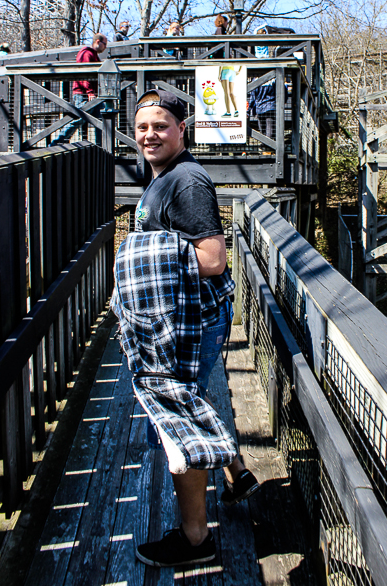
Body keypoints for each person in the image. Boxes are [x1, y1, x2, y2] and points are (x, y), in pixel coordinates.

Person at [116, 89, 260, 568]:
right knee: (204, 395)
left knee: (179, 421)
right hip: (184, 315)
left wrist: (140, 259)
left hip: (190, 319)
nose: (149, 135)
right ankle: (237, 472)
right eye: (142, 127)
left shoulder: (187, 182)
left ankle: (196, 539)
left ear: (183, 129)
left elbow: (214, 259)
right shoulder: (162, 176)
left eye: (160, 125)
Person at [52, 33, 107, 144]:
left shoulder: (95, 55)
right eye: (105, 44)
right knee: (79, 118)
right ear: (98, 42)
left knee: (102, 119)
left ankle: (101, 147)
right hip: (84, 94)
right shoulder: (86, 54)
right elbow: (84, 73)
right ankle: (58, 142)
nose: (105, 47)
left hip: (93, 94)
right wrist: (90, 92)